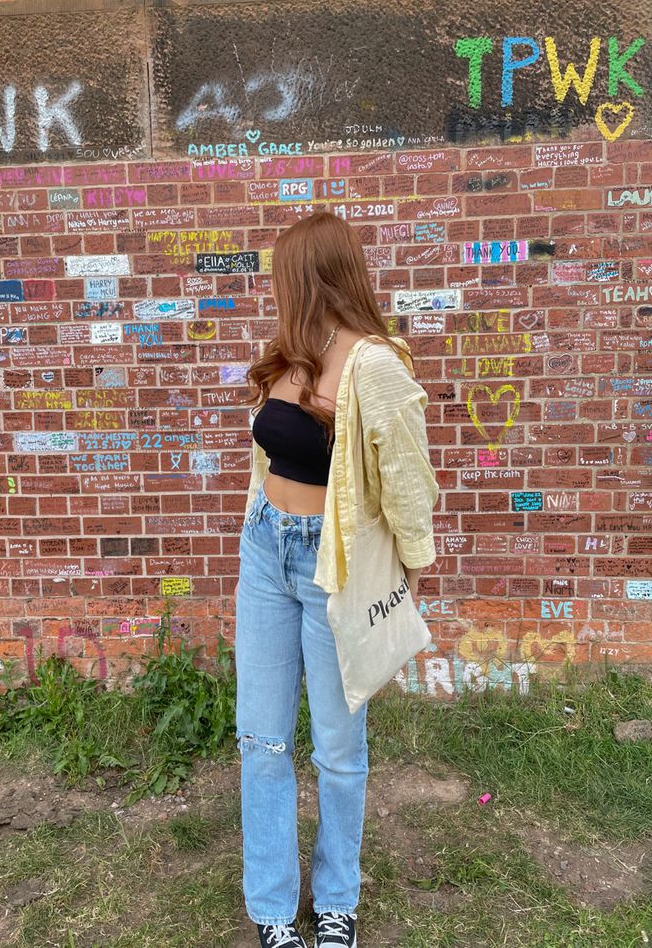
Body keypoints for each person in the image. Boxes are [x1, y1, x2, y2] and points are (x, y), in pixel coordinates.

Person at [234, 211, 438, 948]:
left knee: (337, 749)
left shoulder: (375, 366)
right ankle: (273, 910)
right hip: (265, 555)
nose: (277, 291)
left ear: (313, 276)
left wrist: (407, 576)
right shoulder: (290, 354)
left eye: (285, 276)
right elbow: (272, 455)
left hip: (334, 568)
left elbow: (409, 485)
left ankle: (337, 901)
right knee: (260, 737)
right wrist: (263, 517)